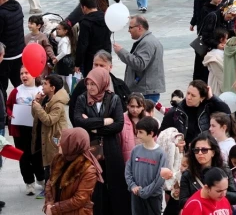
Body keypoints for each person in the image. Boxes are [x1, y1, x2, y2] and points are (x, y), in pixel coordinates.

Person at [73, 68, 131, 215]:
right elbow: (78, 121)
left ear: (102, 83)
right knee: (94, 183)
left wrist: (94, 128)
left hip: (111, 147)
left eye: (94, 84)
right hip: (91, 147)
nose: (90, 87)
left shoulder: (114, 99)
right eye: (88, 84)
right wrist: (104, 121)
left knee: (114, 182)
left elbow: (118, 125)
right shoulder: (82, 99)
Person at [43, 128, 103, 215]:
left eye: (62, 141)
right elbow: (50, 183)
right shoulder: (58, 159)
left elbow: (80, 199)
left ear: (72, 145)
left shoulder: (88, 169)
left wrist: (54, 209)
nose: (58, 144)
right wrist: (48, 204)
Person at [7, 66, 45, 195]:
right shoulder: (16, 91)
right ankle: (29, 182)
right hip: (20, 129)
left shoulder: (41, 90)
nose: (24, 76)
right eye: (21, 73)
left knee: (37, 155)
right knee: (23, 156)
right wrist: (10, 114)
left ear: (34, 74)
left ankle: (41, 178)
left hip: (36, 129)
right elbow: (8, 106)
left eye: (27, 73)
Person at [159, 79, 231, 146]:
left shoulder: (208, 108)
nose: (188, 97)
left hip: (205, 149)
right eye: (188, 93)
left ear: (202, 98)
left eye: (193, 95)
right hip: (185, 152)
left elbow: (226, 112)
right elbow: (161, 135)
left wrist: (212, 97)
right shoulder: (176, 111)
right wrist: (174, 142)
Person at [112, 16, 165, 102]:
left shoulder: (147, 42)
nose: (128, 30)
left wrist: (121, 52)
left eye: (130, 27)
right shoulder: (148, 40)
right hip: (146, 89)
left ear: (139, 28)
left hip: (145, 91)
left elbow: (139, 64)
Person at [125, 116, 168, 215]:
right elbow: (128, 170)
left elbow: (160, 179)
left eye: (141, 132)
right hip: (136, 195)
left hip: (153, 197)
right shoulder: (135, 150)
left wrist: (144, 192)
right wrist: (132, 186)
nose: (137, 135)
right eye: (137, 131)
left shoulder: (160, 153)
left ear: (151, 133)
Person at [30, 74, 70, 173]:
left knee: (53, 167)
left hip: (53, 140)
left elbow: (49, 120)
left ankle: (51, 188)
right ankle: (47, 187)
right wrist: (37, 102)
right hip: (43, 137)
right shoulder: (46, 99)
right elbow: (35, 114)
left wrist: (38, 107)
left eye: (45, 84)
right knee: (46, 167)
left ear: (52, 88)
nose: (42, 86)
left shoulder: (58, 104)